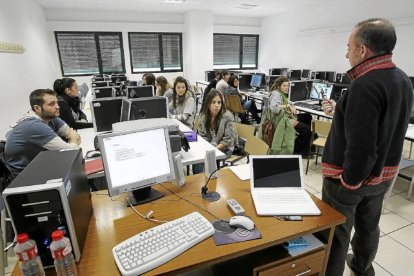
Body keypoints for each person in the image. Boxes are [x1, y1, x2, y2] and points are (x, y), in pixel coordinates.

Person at [320, 18, 413, 276]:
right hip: (383, 176)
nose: (346, 53)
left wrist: (350, 180)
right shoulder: (402, 79)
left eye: (349, 47)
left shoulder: (365, 84)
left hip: (351, 181)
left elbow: (362, 147)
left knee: (337, 233)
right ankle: (362, 268)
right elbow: (383, 124)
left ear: (363, 50)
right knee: (369, 228)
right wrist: (343, 110)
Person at [5, 89, 81, 177]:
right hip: (25, 177)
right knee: (78, 172)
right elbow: (70, 152)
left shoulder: (50, 117)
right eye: (51, 104)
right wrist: (74, 139)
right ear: (37, 108)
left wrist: (73, 141)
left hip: (41, 165)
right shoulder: (34, 126)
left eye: (56, 102)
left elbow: (69, 133)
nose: (57, 107)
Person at [193, 89, 237, 174]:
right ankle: (199, 180)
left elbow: (229, 140)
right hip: (210, 145)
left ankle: (207, 180)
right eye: (213, 102)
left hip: (225, 147)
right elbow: (203, 135)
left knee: (206, 158)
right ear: (208, 103)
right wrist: (207, 147)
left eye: (219, 102)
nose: (217, 105)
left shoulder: (227, 116)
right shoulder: (203, 115)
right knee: (197, 157)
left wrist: (213, 150)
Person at [267, 76, 311, 156]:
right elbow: (275, 108)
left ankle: (303, 147)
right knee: (307, 129)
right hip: (281, 121)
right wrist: (287, 106)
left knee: (307, 117)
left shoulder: (282, 94)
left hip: (285, 118)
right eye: (284, 86)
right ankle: (299, 151)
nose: (286, 87)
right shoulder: (276, 94)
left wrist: (291, 105)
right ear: (278, 86)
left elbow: (287, 102)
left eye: (287, 86)